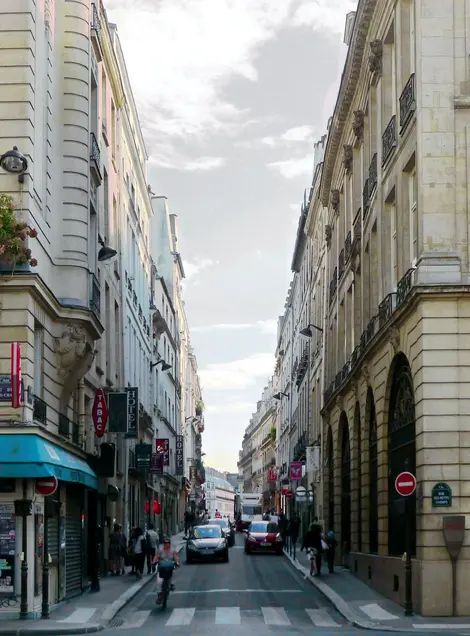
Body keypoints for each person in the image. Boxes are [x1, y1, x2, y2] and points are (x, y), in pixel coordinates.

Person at [153, 537, 180, 604]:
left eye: (168, 543)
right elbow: (156, 556)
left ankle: (172, 584)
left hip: (170, 567)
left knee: (174, 572)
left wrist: (177, 562)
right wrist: (154, 561)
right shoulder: (160, 550)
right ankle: (159, 595)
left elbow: (176, 557)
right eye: (165, 543)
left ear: (170, 544)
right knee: (158, 581)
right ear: (164, 544)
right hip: (162, 568)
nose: (167, 544)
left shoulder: (173, 550)